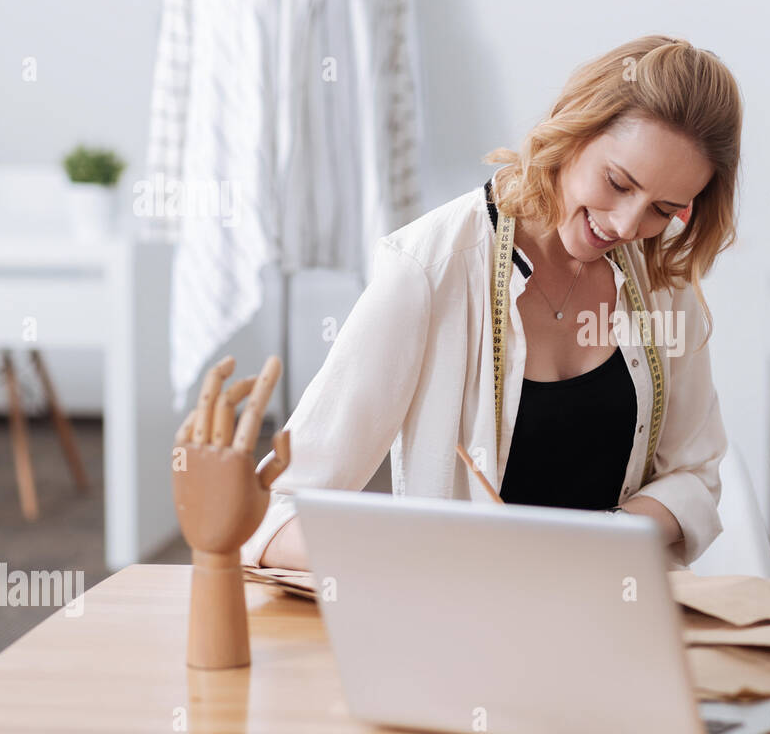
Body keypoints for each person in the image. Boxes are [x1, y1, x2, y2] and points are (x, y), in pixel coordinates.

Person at [246, 34, 744, 571]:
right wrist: (424, 555)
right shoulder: (428, 272)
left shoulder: (661, 279)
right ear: (575, 128)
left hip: (617, 605)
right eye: (618, 182)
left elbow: (694, 473)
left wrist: (601, 539)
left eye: (663, 210)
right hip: (466, 627)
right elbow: (273, 512)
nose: (627, 225)